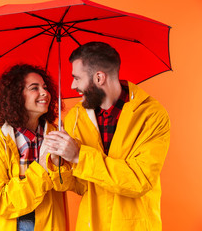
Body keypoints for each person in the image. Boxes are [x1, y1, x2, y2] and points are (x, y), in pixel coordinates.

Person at [45, 42, 171, 231]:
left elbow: (140, 180)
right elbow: (80, 186)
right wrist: (58, 163)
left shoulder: (151, 115)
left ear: (99, 77)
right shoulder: (75, 118)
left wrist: (79, 155)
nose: (72, 85)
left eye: (77, 78)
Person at [0, 64, 69, 231]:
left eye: (45, 88)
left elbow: (67, 185)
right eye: (34, 88)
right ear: (16, 96)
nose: (44, 93)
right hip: (12, 225)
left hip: (49, 224)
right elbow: (1, 202)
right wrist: (41, 166)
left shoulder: (55, 135)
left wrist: (58, 164)